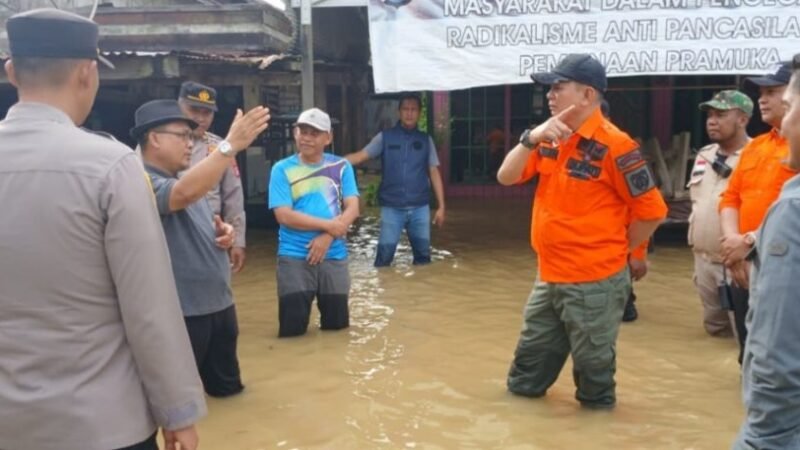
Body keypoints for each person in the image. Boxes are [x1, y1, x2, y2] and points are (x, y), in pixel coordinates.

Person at [0, 9, 206, 450]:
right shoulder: (110, 167)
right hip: (101, 424)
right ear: (88, 74)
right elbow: (149, 309)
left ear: (12, 71)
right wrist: (179, 412)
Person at [498, 54, 667, 409]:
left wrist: (620, 252)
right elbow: (506, 176)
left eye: (558, 87)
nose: (549, 95)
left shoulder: (617, 146)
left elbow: (652, 212)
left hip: (595, 283)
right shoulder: (551, 138)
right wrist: (531, 137)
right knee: (525, 377)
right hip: (549, 277)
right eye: (550, 88)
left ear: (587, 95)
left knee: (594, 381)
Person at [134, 99, 269, 397]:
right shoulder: (138, 179)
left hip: (217, 304)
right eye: (183, 136)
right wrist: (229, 146)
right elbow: (180, 196)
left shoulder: (183, 178)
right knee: (178, 399)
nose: (190, 144)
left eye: (191, 137)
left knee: (229, 394)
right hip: (183, 313)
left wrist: (224, 233)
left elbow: (197, 212)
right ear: (154, 138)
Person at [733, 54, 800, 450]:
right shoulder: (756, 150)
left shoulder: (793, 209)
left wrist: (763, 436)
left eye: (788, 105)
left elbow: (777, 360)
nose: (784, 118)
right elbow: (731, 196)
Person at [719, 62, 795, 362]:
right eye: (761, 93)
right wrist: (733, 246)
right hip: (742, 263)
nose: (762, 99)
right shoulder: (756, 146)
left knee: (777, 354)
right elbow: (730, 198)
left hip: (781, 263)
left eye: (772, 92)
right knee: (747, 351)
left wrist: (747, 243)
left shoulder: (795, 147)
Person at [269, 108, 360, 337]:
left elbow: (353, 207)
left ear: (328, 138)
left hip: (334, 255)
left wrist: (328, 238)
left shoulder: (341, 167)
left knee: (337, 329)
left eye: (314, 133)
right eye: (303, 131)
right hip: (294, 256)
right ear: (295, 133)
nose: (306, 137)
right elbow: (284, 215)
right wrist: (330, 227)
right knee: (293, 331)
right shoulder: (281, 169)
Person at [346, 93, 446, 266]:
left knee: (423, 259)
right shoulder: (385, 137)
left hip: (420, 208)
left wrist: (441, 206)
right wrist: (329, 163)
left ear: (419, 113)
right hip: (392, 208)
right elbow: (361, 156)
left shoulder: (425, 140)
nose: (409, 113)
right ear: (399, 112)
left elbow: (434, 172)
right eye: (405, 109)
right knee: (383, 260)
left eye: (413, 109)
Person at [688, 90, 753, 337]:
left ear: (743, 119)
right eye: (710, 115)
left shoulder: (757, 155)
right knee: (714, 330)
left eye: (721, 114)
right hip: (702, 259)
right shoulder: (705, 154)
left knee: (743, 333)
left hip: (737, 262)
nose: (712, 121)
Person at [178, 81, 249, 273]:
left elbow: (233, 196)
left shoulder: (220, 148)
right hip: (172, 232)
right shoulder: (161, 142)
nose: (201, 118)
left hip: (212, 234)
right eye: (194, 110)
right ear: (179, 106)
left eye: (207, 113)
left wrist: (238, 241)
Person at [600, 100, 649, 323]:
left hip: (621, 243)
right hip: (599, 249)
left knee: (624, 312)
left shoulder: (621, 149)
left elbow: (646, 210)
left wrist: (637, 253)